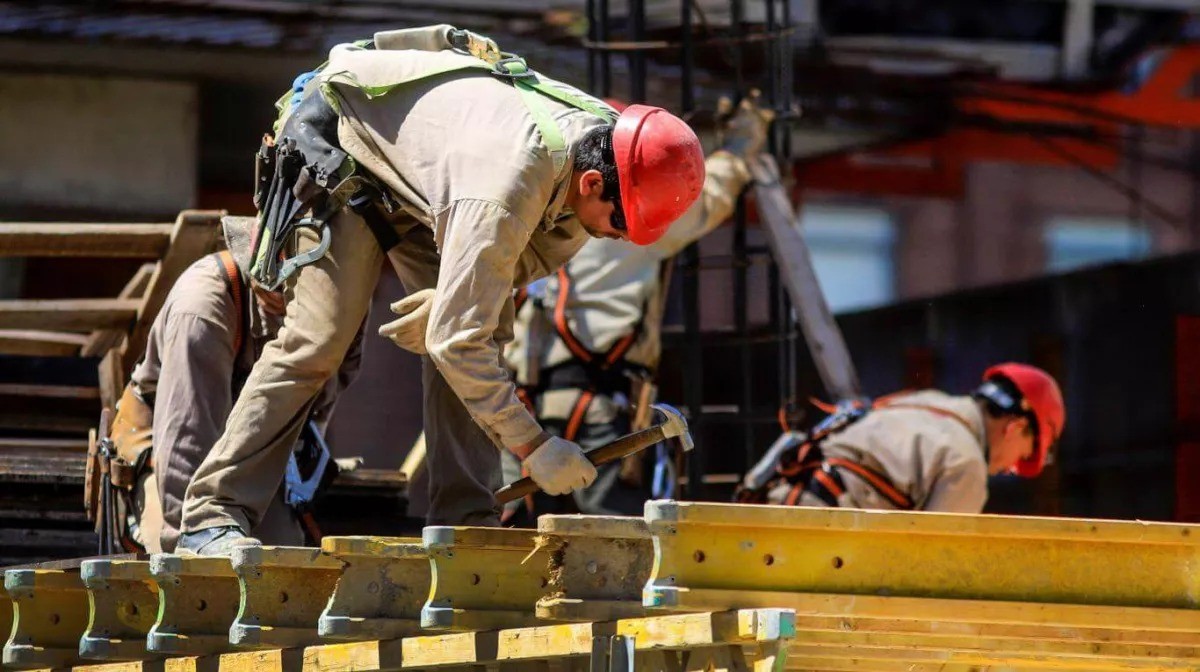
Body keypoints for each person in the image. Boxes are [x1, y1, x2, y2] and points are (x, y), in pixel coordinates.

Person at [176, 25, 705, 555]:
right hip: (343, 148)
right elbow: (459, 342)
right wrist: (533, 445)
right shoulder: (508, 184)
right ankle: (212, 515)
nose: (617, 236)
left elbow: (531, 257)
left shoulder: (602, 153)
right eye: (618, 223)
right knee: (319, 341)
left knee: (483, 321)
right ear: (592, 185)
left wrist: (457, 297)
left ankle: (466, 527)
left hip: (431, 182)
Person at [500, 94, 771, 520]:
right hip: (600, 403)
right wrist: (739, 148)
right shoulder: (631, 220)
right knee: (616, 536)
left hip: (522, 407)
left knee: (510, 532)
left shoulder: (540, 204)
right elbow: (709, 198)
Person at [103, 216, 359, 553]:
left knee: (286, 566)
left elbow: (326, 394)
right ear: (272, 290)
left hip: (253, 453)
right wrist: (194, 549)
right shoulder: (203, 308)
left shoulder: (344, 301)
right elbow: (185, 449)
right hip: (169, 458)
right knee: (184, 568)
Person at [737, 363, 1066, 513]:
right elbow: (931, 567)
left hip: (771, 508)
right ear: (1016, 427)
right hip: (813, 538)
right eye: (1024, 456)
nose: (1009, 468)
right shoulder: (965, 464)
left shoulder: (921, 401)